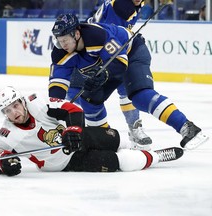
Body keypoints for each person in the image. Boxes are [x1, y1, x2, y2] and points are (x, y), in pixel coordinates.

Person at [49, 14, 208, 151]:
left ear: (76, 34)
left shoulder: (96, 35)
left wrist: (103, 75)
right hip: (107, 66)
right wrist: (55, 111)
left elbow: (119, 62)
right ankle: (106, 142)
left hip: (131, 55)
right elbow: (57, 84)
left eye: (65, 40)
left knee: (140, 96)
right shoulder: (60, 52)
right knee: (89, 99)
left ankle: (187, 127)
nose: (62, 45)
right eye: (59, 40)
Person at [0, 86, 183, 176]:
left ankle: (132, 146)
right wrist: (4, 165)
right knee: (114, 162)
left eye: (15, 105)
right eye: (7, 111)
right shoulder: (7, 135)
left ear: (22, 101)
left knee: (113, 138)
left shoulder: (38, 103)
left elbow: (73, 109)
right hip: (65, 163)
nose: (14, 113)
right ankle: (155, 157)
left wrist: (73, 129)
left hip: (78, 137)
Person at [55, 0, 153, 150]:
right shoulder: (122, 5)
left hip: (98, 50)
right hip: (88, 52)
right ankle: (81, 130)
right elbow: (111, 34)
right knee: (78, 94)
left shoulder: (132, 5)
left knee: (125, 88)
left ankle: (129, 128)